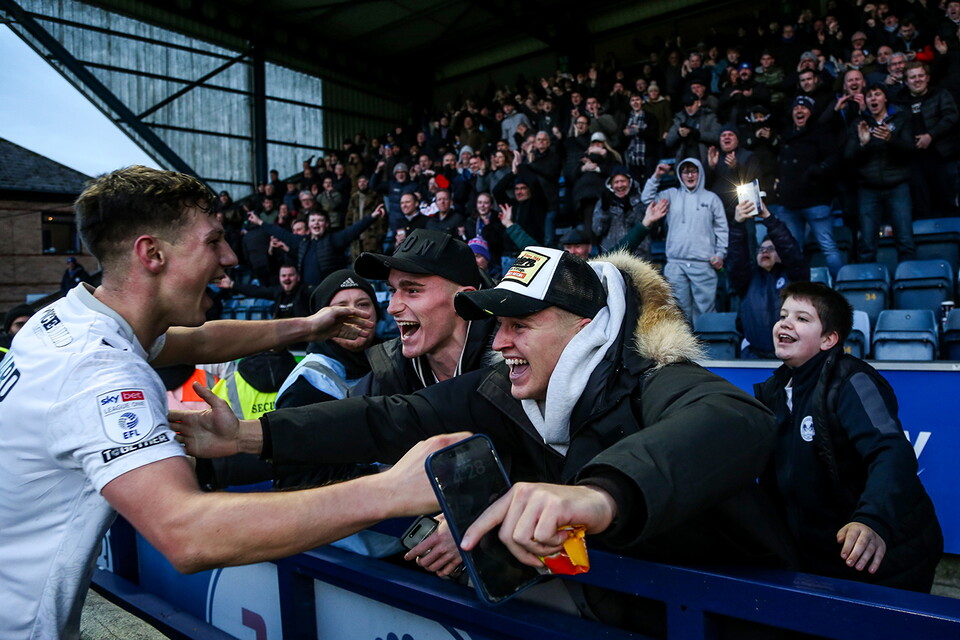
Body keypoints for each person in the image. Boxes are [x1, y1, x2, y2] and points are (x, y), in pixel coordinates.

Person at [177, 247, 798, 633]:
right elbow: (386, 418)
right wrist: (248, 437)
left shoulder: (656, 376)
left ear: (586, 329)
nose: (500, 343)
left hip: (739, 618)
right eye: (498, 325)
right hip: (616, 603)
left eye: (520, 324)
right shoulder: (506, 386)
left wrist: (598, 495)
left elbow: (733, 419)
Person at [0, 165, 463, 640]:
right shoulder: (99, 372)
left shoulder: (67, 319)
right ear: (152, 253)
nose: (229, 258)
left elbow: (200, 341)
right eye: (213, 241)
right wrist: (391, 491)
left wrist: (307, 327)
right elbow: (188, 533)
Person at [755, 282, 942, 591]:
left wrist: (872, 520)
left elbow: (891, 451)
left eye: (802, 318)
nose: (785, 323)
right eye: (784, 315)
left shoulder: (853, 381)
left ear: (828, 339)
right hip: (820, 563)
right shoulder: (772, 391)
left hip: (888, 560)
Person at [641, 158, 727, 323]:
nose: (690, 175)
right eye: (685, 172)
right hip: (675, 264)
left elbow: (722, 229)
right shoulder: (671, 195)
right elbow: (646, 199)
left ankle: (708, 340)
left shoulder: (712, 199)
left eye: (693, 171)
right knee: (678, 313)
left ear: (700, 173)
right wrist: (656, 176)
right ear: (680, 175)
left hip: (704, 264)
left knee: (705, 312)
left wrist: (720, 254)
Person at [727, 199, 809, 359]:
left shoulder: (795, 277)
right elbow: (736, 258)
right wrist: (737, 224)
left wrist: (768, 218)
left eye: (771, 249)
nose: (765, 252)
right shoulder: (748, 280)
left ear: (780, 254)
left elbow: (790, 249)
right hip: (755, 357)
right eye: (761, 249)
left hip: (791, 357)